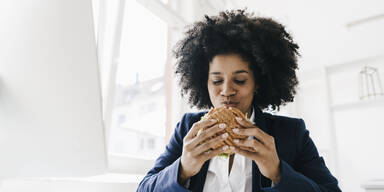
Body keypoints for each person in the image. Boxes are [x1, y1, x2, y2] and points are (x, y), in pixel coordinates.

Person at [136, 9, 341, 192]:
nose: (226, 91)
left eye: (240, 80)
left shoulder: (292, 133)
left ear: (257, 83)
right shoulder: (188, 128)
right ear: (203, 82)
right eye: (216, 80)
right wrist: (182, 170)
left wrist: (278, 172)